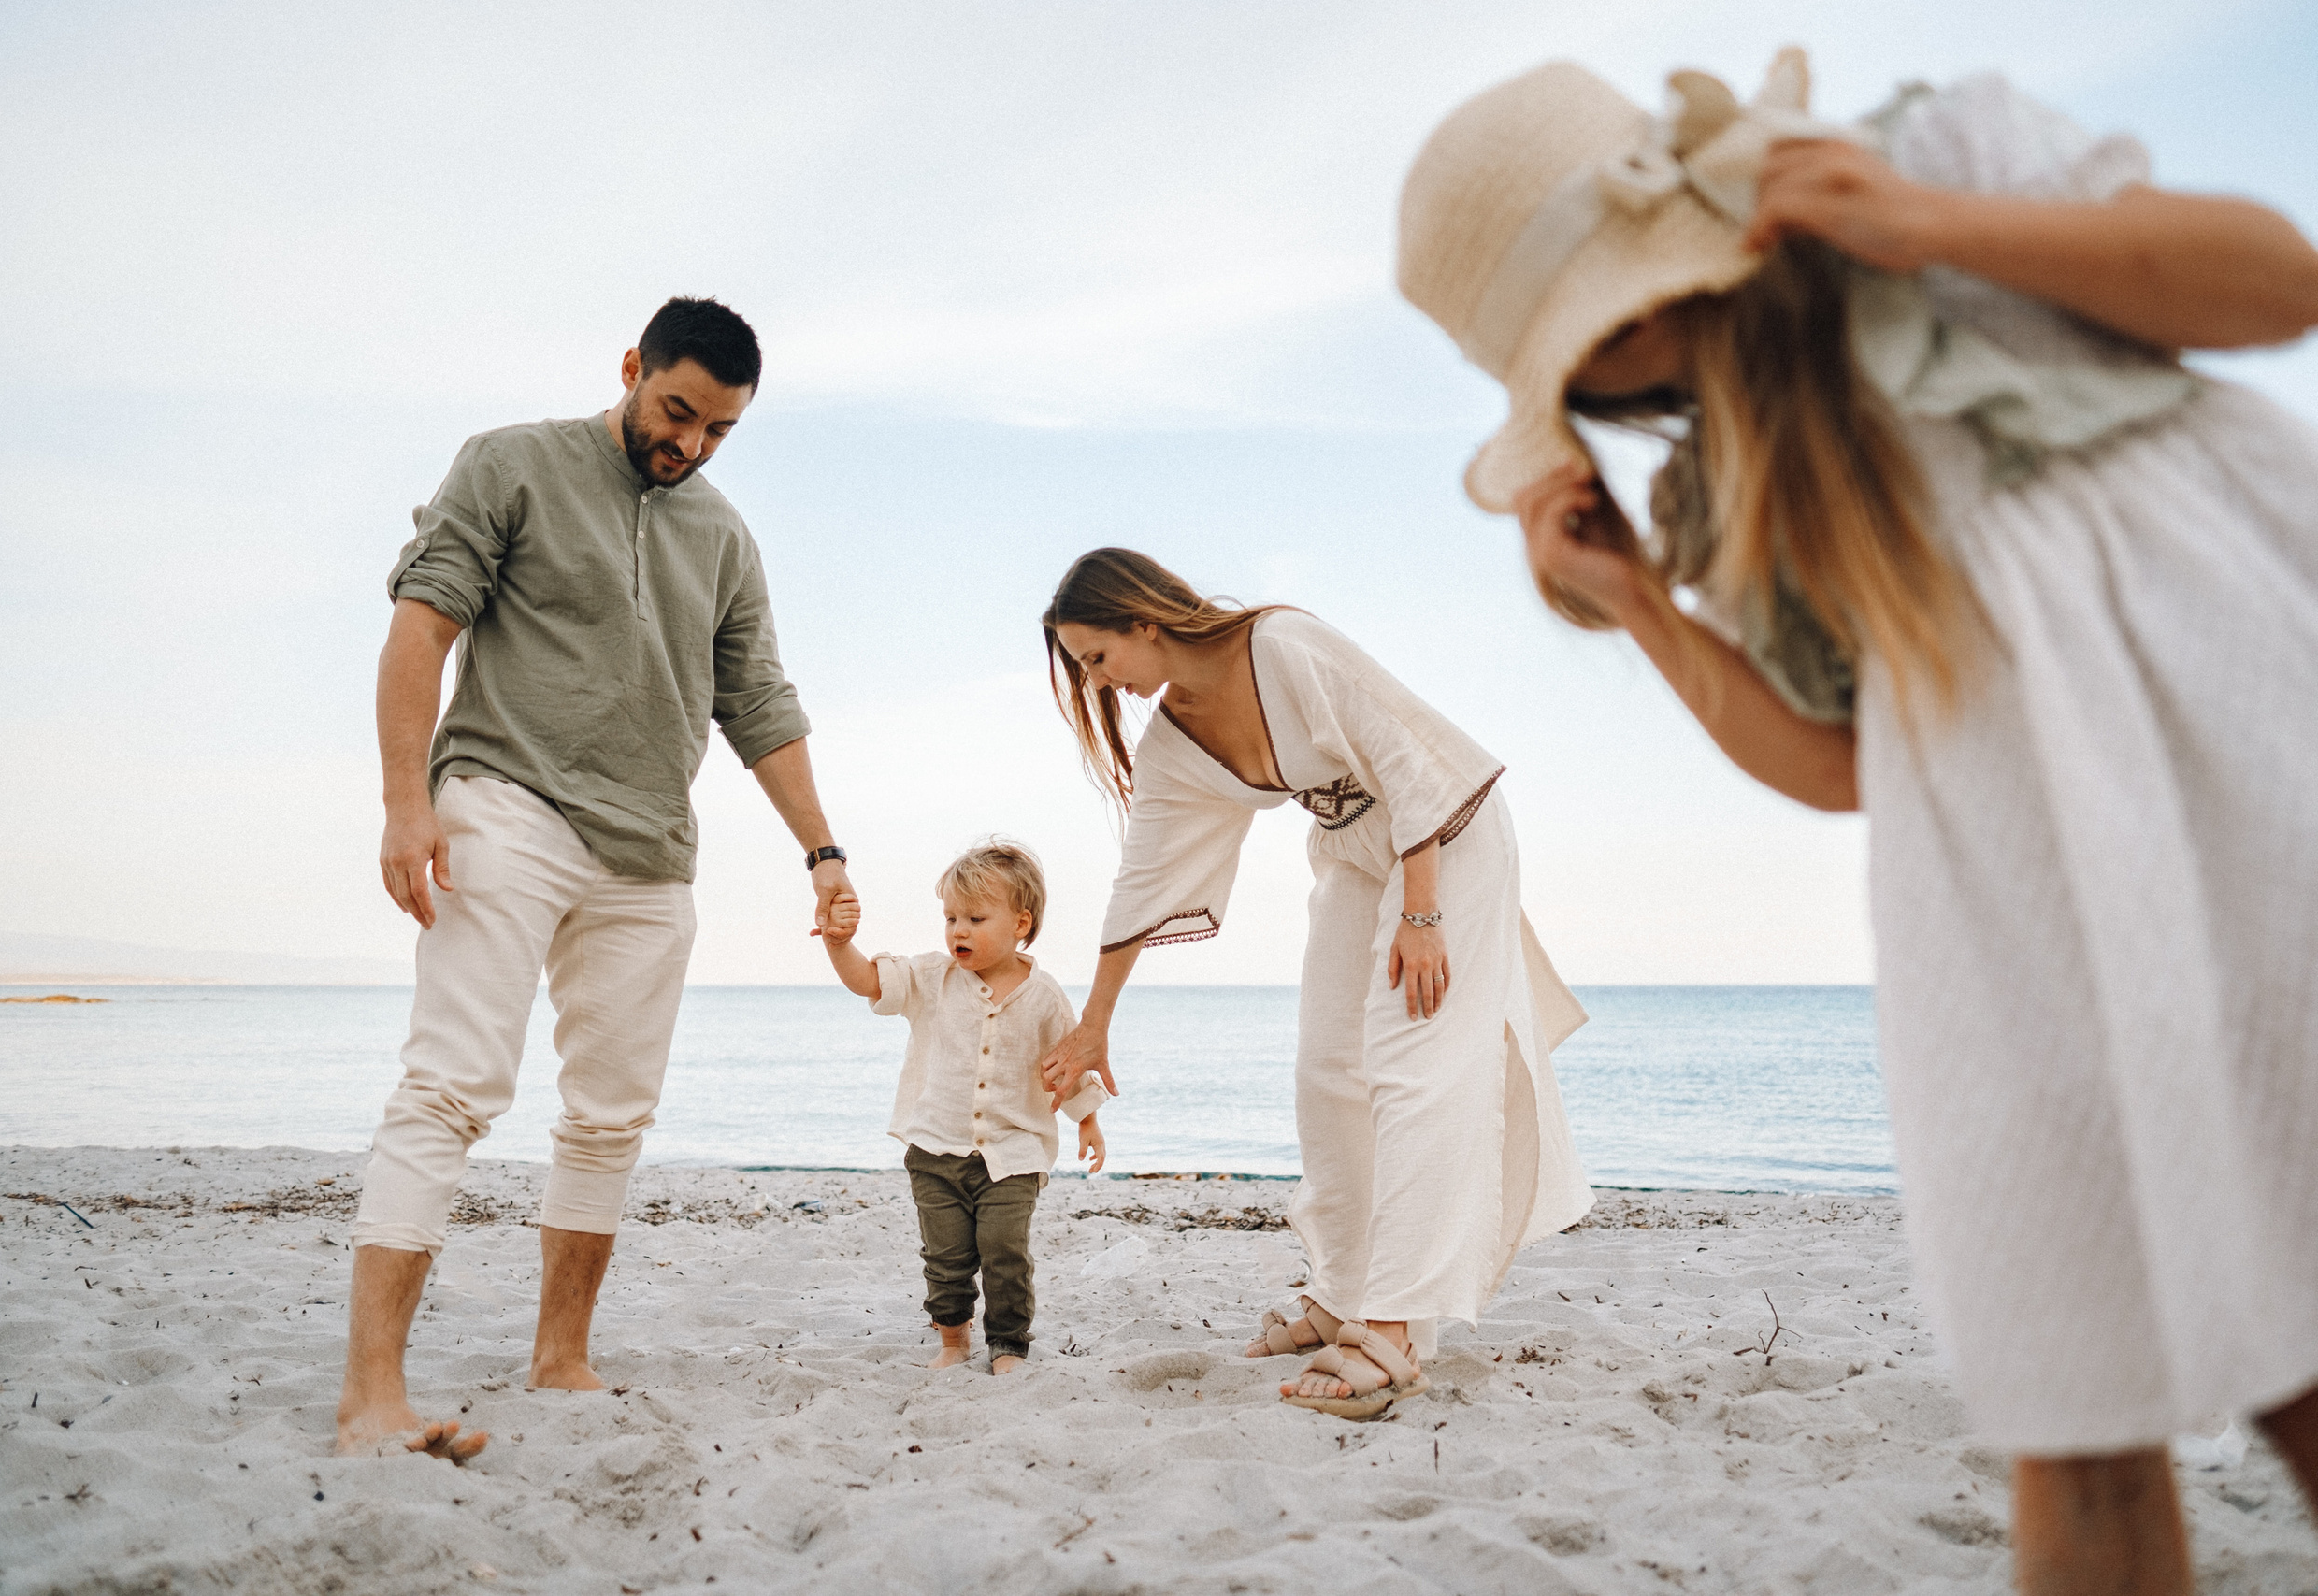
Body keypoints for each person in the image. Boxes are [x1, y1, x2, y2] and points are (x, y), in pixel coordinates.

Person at [1397, 48, 2318, 1590]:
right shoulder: (1726, 481)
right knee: (2069, 1384)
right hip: (2011, 880)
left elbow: (2276, 283)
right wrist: (1638, 602)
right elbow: (1840, 764)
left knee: (2300, 1327)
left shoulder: (1930, 163)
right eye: (1607, 347)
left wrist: (1927, 221)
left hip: (2243, 743)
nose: (1647, 349)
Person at [336, 297, 855, 1460]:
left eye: (718, 430)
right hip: (503, 803)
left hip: (650, 850)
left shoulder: (721, 535)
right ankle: (372, 1397)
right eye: (676, 412)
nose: (690, 445)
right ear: (631, 368)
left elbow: (758, 701)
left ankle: (560, 1358)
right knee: (451, 1088)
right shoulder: (510, 462)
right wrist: (404, 803)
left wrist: (822, 850)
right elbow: (422, 628)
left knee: (612, 1115)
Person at [1036, 549, 1591, 1420]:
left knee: (1418, 1067)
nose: (1100, 683)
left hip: (1447, 843)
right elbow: (1140, 879)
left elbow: (1407, 762)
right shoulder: (1175, 737)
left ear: (1143, 621)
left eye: (1099, 659)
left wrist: (1423, 915)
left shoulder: (1283, 643)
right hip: (1354, 851)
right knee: (1326, 1070)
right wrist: (1096, 1023)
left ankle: (1395, 1326)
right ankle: (1341, 1291)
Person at [817, 840, 1109, 1374]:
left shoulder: (1044, 995)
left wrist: (1088, 1120)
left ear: (1021, 923)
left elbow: (1069, 1062)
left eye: (976, 917)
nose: (958, 930)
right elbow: (869, 982)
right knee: (946, 1258)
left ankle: (1008, 1345)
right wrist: (840, 944)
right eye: (951, 917)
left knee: (1004, 1254)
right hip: (934, 1148)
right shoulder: (931, 977)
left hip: (1013, 1153)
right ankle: (953, 1341)